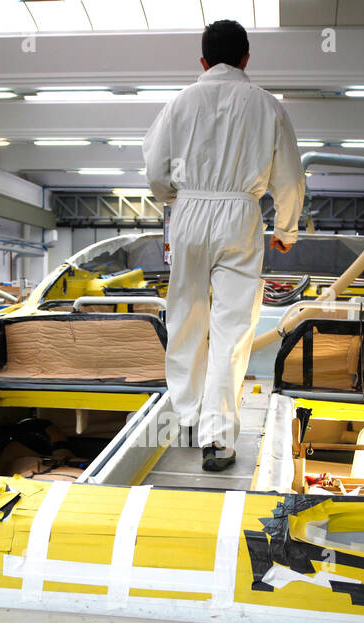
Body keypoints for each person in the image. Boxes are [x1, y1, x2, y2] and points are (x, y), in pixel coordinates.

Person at [143, 19, 306, 472]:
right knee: (232, 329)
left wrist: (177, 198)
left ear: (202, 60)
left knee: (186, 318)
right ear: (246, 58)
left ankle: (188, 420)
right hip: (241, 214)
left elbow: (155, 169)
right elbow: (291, 177)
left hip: (188, 214)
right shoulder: (267, 105)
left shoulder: (177, 103)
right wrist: (286, 230)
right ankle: (219, 440)